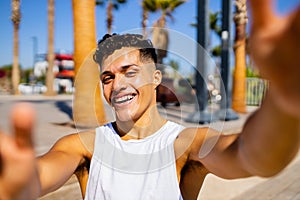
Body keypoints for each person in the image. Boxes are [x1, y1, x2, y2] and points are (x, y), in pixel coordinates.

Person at [1, 0, 300, 199]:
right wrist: (18, 185)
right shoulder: (83, 147)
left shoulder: (185, 145)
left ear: (156, 78)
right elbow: (36, 176)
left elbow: (252, 156)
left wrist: (285, 105)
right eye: (107, 77)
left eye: (129, 72)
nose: (117, 84)